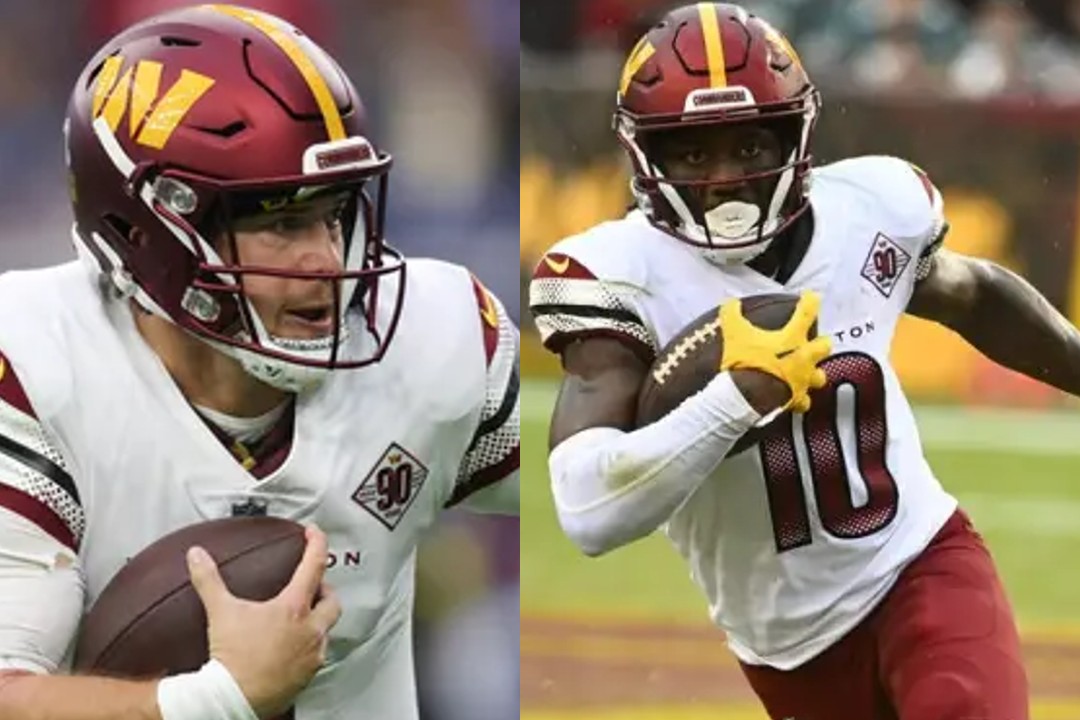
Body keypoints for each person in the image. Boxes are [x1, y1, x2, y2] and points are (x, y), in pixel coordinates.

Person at [527, 4, 1078, 718]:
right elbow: (587, 512)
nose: (724, 177)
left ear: (795, 138)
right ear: (646, 156)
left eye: (751, 145)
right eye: (693, 153)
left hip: (921, 568)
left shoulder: (869, 213)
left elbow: (973, 296)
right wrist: (736, 398)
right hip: (787, 648)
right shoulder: (620, 273)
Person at [0, 5, 519, 720]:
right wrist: (218, 698)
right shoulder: (31, 366)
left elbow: (588, 487)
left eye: (333, 212)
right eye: (279, 221)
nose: (324, 259)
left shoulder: (437, 338)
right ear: (152, 230)